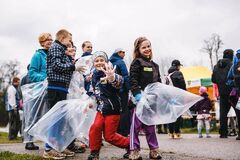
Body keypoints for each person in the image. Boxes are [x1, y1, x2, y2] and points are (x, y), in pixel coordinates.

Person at [43, 29, 85, 159]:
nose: (70, 42)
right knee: (55, 118)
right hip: (55, 86)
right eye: (69, 40)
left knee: (61, 119)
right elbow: (56, 65)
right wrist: (73, 67)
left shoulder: (61, 49)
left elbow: (63, 64)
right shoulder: (56, 47)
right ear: (62, 38)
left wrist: (71, 63)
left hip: (62, 87)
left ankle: (59, 145)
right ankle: (48, 149)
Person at [87, 51, 130, 160]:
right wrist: (89, 102)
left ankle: (131, 145)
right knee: (95, 127)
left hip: (112, 110)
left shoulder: (110, 72)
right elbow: (94, 91)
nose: (99, 62)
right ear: (93, 63)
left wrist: (112, 77)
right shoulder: (94, 76)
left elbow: (119, 83)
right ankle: (94, 152)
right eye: (96, 61)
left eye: (102, 60)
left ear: (106, 62)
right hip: (101, 109)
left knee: (109, 137)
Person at [129, 37, 162, 160]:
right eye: (144, 47)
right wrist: (137, 95)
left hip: (151, 102)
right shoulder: (137, 62)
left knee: (150, 127)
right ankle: (134, 150)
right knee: (135, 127)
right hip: (138, 101)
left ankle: (153, 150)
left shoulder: (155, 65)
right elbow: (132, 80)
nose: (147, 49)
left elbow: (158, 83)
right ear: (138, 49)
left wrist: (161, 96)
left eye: (149, 46)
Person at [23, 32, 53, 150]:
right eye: (47, 40)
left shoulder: (54, 54)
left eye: (51, 39)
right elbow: (32, 73)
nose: (50, 41)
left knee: (48, 115)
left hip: (50, 90)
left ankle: (48, 141)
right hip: (38, 90)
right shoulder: (37, 55)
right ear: (42, 42)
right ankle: (29, 141)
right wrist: (44, 78)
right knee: (33, 115)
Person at [212, 49, 234, 138]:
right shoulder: (233, 64)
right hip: (233, 92)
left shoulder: (216, 66)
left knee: (223, 113)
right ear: (231, 55)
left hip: (222, 93)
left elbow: (213, 80)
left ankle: (223, 133)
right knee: (238, 111)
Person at [109, 48, 131, 137]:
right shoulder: (120, 62)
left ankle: (116, 131)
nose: (124, 54)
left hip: (113, 90)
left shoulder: (110, 62)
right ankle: (124, 131)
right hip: (122, 90)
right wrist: (129, 88)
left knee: (116, 110)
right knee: (124, 110)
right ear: (118, 53)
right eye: (123, 52)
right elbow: (125, 76)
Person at [167, 59, 186, 139]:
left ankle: (171, 132)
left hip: (169, 97)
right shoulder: (178, 73)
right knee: (178, 114)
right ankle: (177, 132)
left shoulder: (168, 75)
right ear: (177, 66)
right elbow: (182, 85)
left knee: (171, 114)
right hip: (177, 96)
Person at [226, 49, 240, 140]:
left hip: (237, 93)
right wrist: (235, 83)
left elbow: (228, 80)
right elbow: (229, 80)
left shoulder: (234, 66)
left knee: (239, 113)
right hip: (238, 93)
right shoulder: (234, 67)